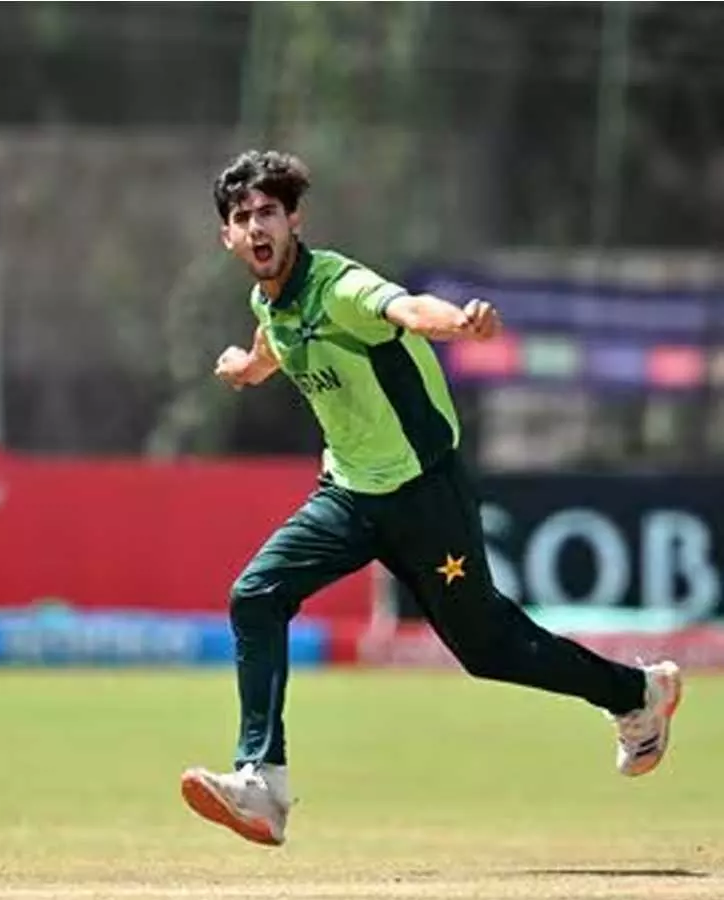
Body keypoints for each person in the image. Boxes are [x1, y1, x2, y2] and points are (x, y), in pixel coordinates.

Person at [179, 150, 684, 848]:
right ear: (228, 237)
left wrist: (459, 325)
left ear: (296, 220)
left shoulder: (341, 287)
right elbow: (276, 340)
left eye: (270, 212)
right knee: (255, 596)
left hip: (424, 494)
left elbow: (407, 309)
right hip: (348, 494)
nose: (258, 226)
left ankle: (638, 693)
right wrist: (247, 366)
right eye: (243, 218)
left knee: (489, 649)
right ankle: (263, 784)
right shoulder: (269, 300)